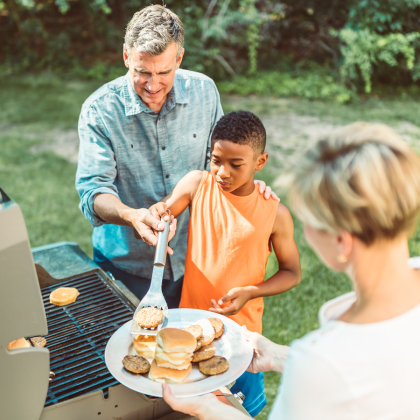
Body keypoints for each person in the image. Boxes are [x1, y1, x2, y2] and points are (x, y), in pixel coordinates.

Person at [161, 122, 420, 420]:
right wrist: (281, 357)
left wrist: (206, 408)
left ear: (341, 241)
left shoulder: (318, 368)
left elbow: (330, 368)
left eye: (309, 220)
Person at [75, 5, 275, 308]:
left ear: (179, 59)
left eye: (164, 72)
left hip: (194, 257)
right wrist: (133, 216)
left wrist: (250, 188)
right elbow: (93, 191)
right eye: (142, 72)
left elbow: (219, 162)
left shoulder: (205, 92)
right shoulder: (99, 110)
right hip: (125, 265)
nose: (152, 85)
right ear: (127, 56)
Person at [149, 110, 301, 417]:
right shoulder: (196, 184)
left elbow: (292, 272)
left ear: (260, 162)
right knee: (193, 407)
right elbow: (164, 209)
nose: (222, 172)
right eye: (216, 160)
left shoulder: (275, 214)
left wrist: (251, 291)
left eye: (236, 164)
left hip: (243, 338)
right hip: (190, 330)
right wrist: (160, 218)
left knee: (237, 409)